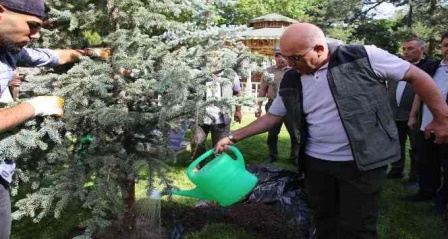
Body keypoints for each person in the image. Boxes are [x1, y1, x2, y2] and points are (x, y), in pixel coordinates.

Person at [214, 23, 448, 239]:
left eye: (295, 58)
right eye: (286, 58)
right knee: (324, 220)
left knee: (357, 227)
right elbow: (272, 117)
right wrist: (233, 136)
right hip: (316, 163)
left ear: (318, 48)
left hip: (363, 163)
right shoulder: (291, 78)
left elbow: (417, 76)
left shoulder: (362, 56)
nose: (288, 64)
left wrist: (442, 118)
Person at [0, 1, 67, 238]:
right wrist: (36, 106)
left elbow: (52, 56)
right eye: (32, 25)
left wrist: (92, 53)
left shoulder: (7, 49)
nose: (36, 35)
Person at [387, 38, 438, 189]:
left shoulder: (429, 68)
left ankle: (415, 177)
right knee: (396, 144)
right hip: (394, 114)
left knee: (417, 147)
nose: (406, 52)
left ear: (421, 50)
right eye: (404, 49)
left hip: (416, 116)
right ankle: (396, 169)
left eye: (410, 48)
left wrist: (414, 115)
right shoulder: (398, 66)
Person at [408, 32, 448, 214]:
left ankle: (442, 201)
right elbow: (420, 92)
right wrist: (413, 115)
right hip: (426, 125)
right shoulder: (432, 67)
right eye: (446, 45)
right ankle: (426, 191)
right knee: (426, 161)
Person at [256, 46, 297, 163]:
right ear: (274, 57)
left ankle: (295, 156)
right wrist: (258, 106)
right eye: (278, 56)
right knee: (272, 133)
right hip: (272, 104)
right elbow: (262, 90)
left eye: (283, 56)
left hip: (292, 106)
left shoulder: (295, 70)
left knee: (295, 133)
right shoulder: (268, 72)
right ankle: (272, 155)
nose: (281, 59)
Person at [191, 69, 243, 160]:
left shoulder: (230, 74)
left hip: (222, 117)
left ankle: (217, 167)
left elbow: (238, 92)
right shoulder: (198, 72)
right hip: (201, 116)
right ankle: (198, 167)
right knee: (196, 143)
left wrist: (238, 110)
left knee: (220, 146)